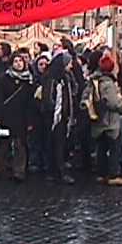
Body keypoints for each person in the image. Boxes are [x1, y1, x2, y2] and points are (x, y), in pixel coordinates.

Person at [83, 54, 122, 186]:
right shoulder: (107, 83)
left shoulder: (93, 80)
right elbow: (113, 102)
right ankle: (113, 175)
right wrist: (121, 105)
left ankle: (101, 173)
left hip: (97, 119)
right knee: (114, 148)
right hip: (109, 121)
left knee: (101, 148)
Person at [0, 53, 34, 182]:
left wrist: (30, 120)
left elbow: (30, 102)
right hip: (7, 115)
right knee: (3, 144)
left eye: (20, 61)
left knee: (20, 145)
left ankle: (19, 171)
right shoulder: (5, 78)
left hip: (22, 117)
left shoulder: (29, 80)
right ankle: (0, 168)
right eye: (15, 61)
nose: (18, 63)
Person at [41, 52, 76, 185]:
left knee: (58, 144)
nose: (71, 66)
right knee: (56, 145)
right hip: (55, 117)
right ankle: (58, 172)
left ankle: (54, 171)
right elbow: (49, 99)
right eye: (69, 63)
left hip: (63, 116)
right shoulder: (52, 79)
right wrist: (56, 113)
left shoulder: (64, 77)